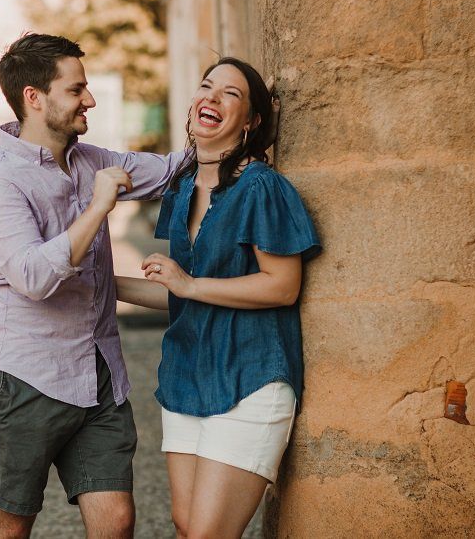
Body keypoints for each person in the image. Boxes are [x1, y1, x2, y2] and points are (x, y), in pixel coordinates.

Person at [0, 33, 189, 539]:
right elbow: (31, 277)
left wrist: (226, 118)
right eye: (76, 90)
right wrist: (98, 208)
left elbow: (178, 171)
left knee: (116, 520)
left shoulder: (92, 161)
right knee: (11, 523)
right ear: (34, 97)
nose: (89, 99)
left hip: (99, 375)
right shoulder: (0, 180)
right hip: (25, 378)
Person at [115, 57, 321, 539]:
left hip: (249, 377)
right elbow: (183, 295)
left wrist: (188, 284)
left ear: (250, 122)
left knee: (207, 533)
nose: (211, 96)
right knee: (188, 525)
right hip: (188, 375)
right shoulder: (184, 189)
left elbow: (282, 284)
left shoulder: (261, 187)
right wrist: (105, 288)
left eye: (231, 93)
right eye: (206, 86)